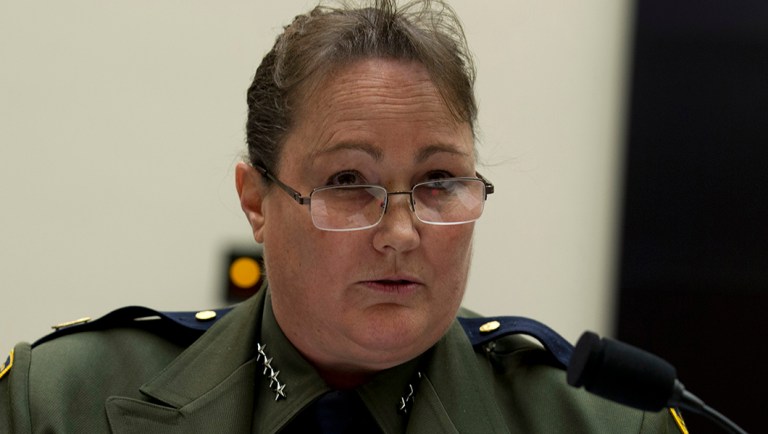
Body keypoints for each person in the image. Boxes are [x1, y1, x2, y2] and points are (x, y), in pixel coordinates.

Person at [0, 0, 687, 432]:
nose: (399, 234)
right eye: (348, 182)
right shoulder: (62, 403)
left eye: (440, 180)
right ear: (256, 201)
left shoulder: (599, 421)